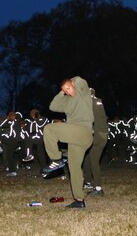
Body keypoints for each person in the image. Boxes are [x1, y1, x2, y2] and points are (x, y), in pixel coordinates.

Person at [42, 76, 94, 209]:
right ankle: (79, 200)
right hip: (75, 138)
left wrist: (71, 82)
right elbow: (52, 106)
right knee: (74, 167)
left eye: (69, 88)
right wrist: (62, 92)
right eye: (66, 91)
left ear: (73, 84)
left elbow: (81, 80)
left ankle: (56, 159)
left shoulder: (83, 92)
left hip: (83, 131)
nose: (69, 92)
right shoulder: (66, 101)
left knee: (49, 129)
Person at [83, 88, 108, 196]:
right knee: (88, 158)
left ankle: (98, 188)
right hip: (101, 134)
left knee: (93, 160)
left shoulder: (91, 103)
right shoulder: (98, 102)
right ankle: (88, 182)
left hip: (98, 135)